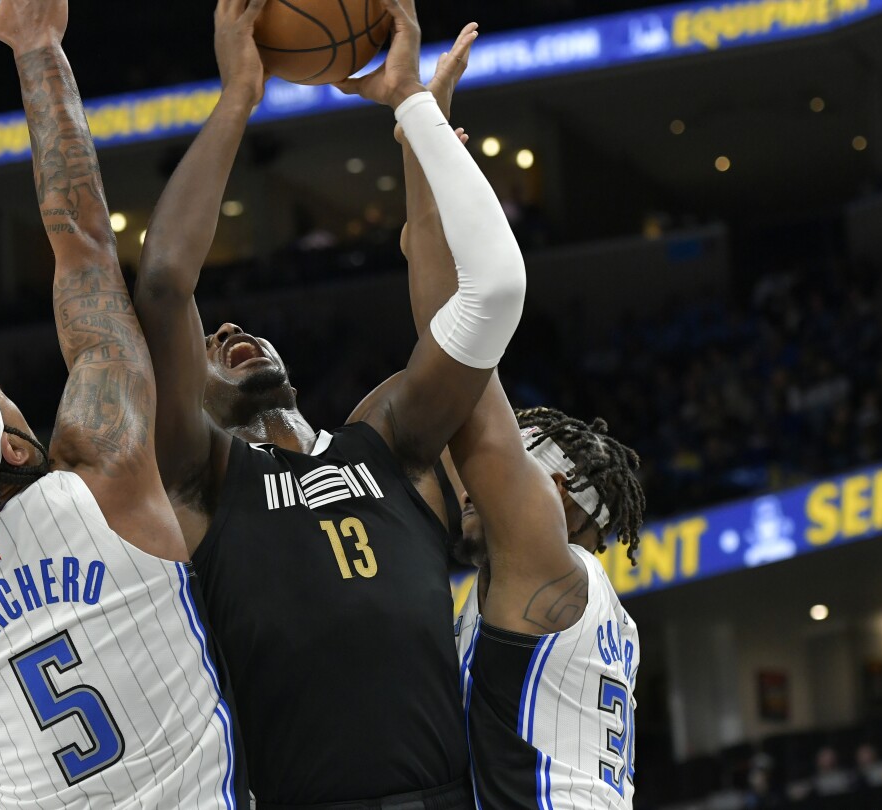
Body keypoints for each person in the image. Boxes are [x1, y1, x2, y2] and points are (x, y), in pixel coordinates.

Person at [133, 0, 526, 804]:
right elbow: (167, 284)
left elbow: (487, 297)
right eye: (212, 343)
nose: (230, 329)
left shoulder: (388, 439)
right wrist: (238, 97)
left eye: (239, 331)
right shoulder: (199, 479)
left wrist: (414, 107)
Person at [0, 0, 244, 806]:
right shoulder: (102, 483)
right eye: (5, 402)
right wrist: (39, 50)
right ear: (11, 444)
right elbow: (82, 244)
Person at [392, 45, 647, 806]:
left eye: (512, 463)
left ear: (558, 492)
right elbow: (430, 274)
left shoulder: (545, 560)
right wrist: (416, 146)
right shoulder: (577, 600)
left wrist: (414, 110)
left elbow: (457, 337)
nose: (467, 476)